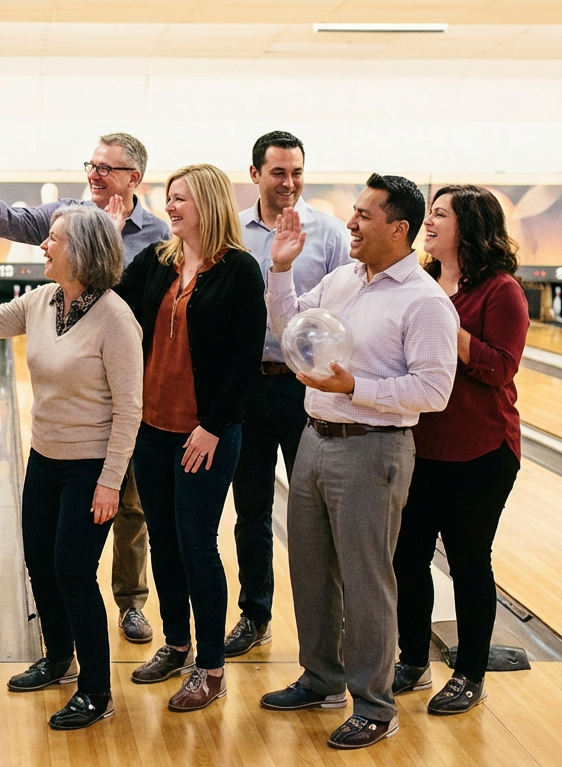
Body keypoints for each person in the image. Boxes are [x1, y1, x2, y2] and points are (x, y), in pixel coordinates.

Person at [258, 173, 458, 750]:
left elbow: (432, 391)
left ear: (399, 228)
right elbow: (288, 326)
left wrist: (355, 387)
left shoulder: (423, 302)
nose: (351, 222)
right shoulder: (343, 279)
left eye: (365, 215)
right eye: (353, 212)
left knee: (368, 581)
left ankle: (374, 704)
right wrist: (279, 268)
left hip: (374, 449)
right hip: (314, 439)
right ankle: (321, 680)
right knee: (312, 570)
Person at [0, 131, 165, 644]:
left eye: (107, 168)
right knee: (56, 560)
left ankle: (131, 602)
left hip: (122, 394)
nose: (94, 174)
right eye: (91, 164)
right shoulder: (63, 224)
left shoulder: (157, 237)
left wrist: (109, 245)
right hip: (59, 430)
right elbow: (5, 223)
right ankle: (60, 652)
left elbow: (138, 317)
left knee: (129, 509)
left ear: (133, 178)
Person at [0, 205, 143, 731]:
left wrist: (109, 482)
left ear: (80, 251)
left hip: (90, 467)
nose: (43, 246)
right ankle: (59, 657)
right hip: (45, 459)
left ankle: (97, 691)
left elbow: (130, 410)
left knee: (74, 573)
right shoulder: (43, 300)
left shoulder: (115, 319)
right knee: (40, 561)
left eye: (53, 239)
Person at [114, 165, 266, 712]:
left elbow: (246, 358)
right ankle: (176, 643)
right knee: (163, 538)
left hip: (207, 432)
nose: (170, 208)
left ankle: (211, 667)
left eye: (180, 200)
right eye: (168, 199)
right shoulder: (158, 261)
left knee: (197, 544)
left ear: (207, 204)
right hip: (152, 429)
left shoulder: (241, 270)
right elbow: (113, 298)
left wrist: (212, 426)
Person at [392, 185, 527, 715]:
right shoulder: (422, 281)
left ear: (468, 226)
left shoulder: (501, 291)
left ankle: (470, 672)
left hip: (482, 450)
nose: (428, 222)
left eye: (440, 214)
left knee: (469, 561)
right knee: (408, 558)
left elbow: (499, 368)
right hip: (420, 448)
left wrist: (447, 323)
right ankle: (411, 661)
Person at [226, 131, 352, 657]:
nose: (289, 183)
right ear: (255, 174)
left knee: (319, 512)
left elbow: (348, 304)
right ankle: (255, 614)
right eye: (279, 173)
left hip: (306, 391)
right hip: (246, 387)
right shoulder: (230, 231)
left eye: (297, 172)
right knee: (251, 510)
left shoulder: (327, 233)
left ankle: (329, 623)